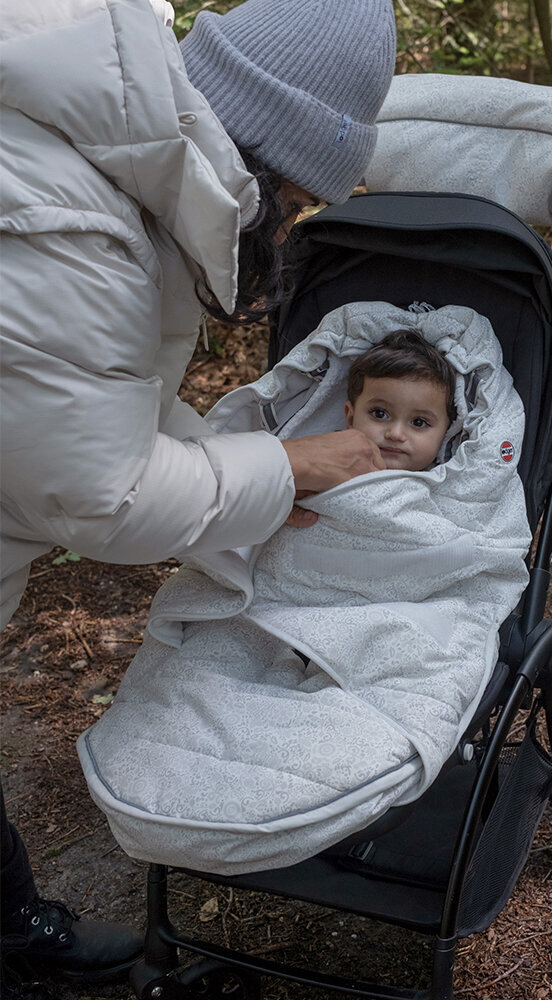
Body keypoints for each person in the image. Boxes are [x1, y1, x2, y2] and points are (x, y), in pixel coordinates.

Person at [0, 0, 396, 987]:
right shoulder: (74, 222)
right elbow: (99, 492)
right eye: (299, 202)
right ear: (260, 157)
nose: (292, 226)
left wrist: (247, 472)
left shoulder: (96, 154)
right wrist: (284, 470)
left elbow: (79, 395)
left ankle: (10, 932)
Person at [344, 330, 458, 472]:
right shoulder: (325, 468)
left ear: (447, 433)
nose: (396, 434)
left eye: (419, 422)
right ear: (350, 417)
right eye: (379, 414)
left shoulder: (449, 486)